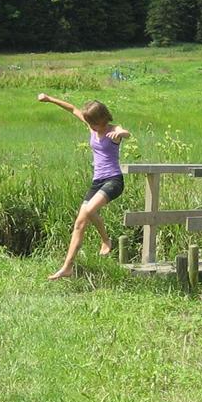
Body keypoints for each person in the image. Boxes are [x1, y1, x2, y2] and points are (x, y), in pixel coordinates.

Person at [37, 93, 130, 280]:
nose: (91, 127)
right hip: (97, 182)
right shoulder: (91, 126)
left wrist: (121, 134)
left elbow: (126, 132)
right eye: (89, 123)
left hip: (113, 180)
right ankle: (67, 267)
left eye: (94, 123)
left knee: (88, 211)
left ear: (102, 119)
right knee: (80, 223)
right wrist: (49, 99)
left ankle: (106, 240)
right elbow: (72, 108)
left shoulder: (113, 130)